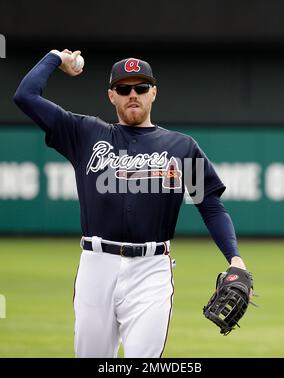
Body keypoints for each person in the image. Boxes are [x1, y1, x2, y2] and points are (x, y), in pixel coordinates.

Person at [14, 49, 249, 358]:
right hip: (96, 266)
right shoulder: (84, 133)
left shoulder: (182, 147)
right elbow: (25, 96)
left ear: (154, 93)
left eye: (141, 87)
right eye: (124, 88)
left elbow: (211, 207)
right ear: (112, 95)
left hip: (151, 270)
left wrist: (235, 257)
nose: (133, 94)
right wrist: (56, 58)